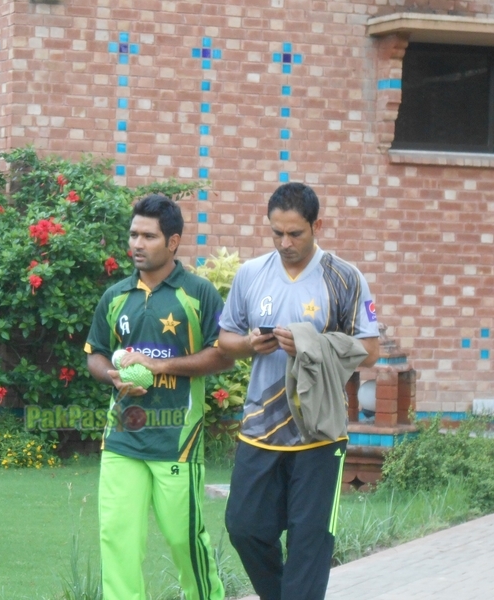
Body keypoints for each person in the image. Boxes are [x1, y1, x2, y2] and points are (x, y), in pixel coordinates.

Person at [217, 182, 380, 600]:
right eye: (277, 233)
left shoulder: (344, 277)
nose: (285, 243)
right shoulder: (251, 274)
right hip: (260, 429)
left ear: (317, 225)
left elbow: (371, 350)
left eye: (295, 233)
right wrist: (251, 344)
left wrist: (311, 343)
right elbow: (225, 340)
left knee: (309, 546)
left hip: (319, 433)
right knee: (244, 527)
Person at [85, 193, 232, 600]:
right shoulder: (115, 296)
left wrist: (159, 367)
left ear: (173, 242)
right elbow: (94, 354)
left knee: (185, 542)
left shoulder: (199, 294)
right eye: (133, 234)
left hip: (176, 441)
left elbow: (222, 357)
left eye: (148, 236)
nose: (136, 243)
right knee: (117, 540)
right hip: (122, 438)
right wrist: (113, 376)